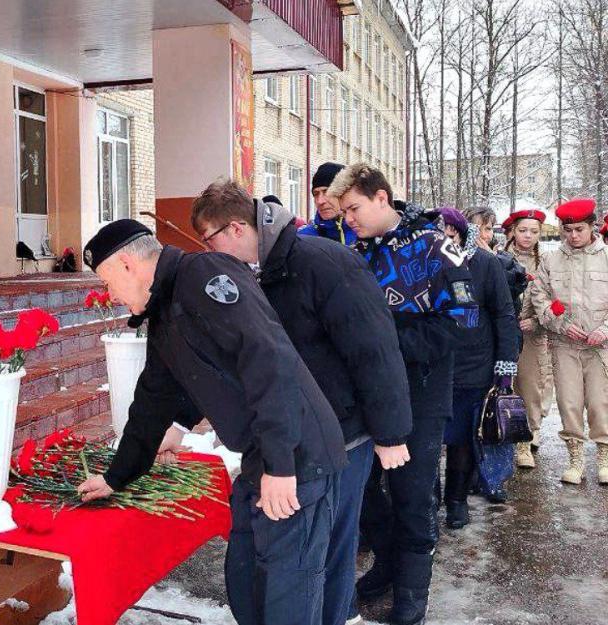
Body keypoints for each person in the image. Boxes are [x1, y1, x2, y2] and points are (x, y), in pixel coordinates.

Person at [76, 220, 350, 625]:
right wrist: (118, 476)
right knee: (247, 585)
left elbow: (270, 361)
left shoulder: (204, 277)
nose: (110, 295)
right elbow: (153, 398)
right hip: (262, 457)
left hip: (298, 459)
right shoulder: (166, 308)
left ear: (128, 264)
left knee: (288, 598)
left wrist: (280, 464)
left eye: (107, 281)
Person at [189, 181, 413, 625]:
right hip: (295, 437)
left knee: (332, 546)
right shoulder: (253, 274)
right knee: (303, 553)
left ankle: (338, 616)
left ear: (236, 228)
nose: (206, 251)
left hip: (345, 436)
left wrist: (390, 433)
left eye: (208, 239)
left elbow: (375, 350)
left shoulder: (322, 263)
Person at [328, 164, 478, 625]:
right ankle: (388, 566)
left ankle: (413, 594)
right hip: (365, 397)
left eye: (353, 208)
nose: (347, 219)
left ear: (381, 198)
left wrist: (389, 342)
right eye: (341, 212)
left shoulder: (435, 246)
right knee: (366, 490)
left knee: (413, 496)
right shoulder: (355, 251)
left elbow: (464, 318)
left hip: (421, 393)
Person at [438, 207, 520, 524]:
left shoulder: (485, 264)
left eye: (451, 236)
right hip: (434, 363)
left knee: (462, 438)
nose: (444, 242)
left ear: (462, 233)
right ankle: (427, 498)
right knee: (427, 441)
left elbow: (503, 314)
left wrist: (504, 366)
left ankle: (457, 500)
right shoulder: (424, 262)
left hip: (474, 365)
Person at [530, 198, 608, 485]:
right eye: (568, 230)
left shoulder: (607, 257)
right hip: (565, 345)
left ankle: (604, 456)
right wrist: (560, 323)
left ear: (592, 227)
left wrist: (605, 329)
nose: (573, 236)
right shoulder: (551, 260)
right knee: (569, 402)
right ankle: (575, 459)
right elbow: (539, 298)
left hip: (600, 347)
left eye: (579, 229)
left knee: (601, 403)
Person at [502, 210, 552, 468]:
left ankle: (525, 442)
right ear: (512, 231)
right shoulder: (499, 257)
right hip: (502, 333)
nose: (528, 236)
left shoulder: (546, 261)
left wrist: (536, 320)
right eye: (523, 230)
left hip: (532, 333)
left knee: (530, 386)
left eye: (534, 231)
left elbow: (555, 300)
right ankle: (500, 433)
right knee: (502, 384)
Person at [299, 162, 358, 246]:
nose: (320, 201)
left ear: (345, 193)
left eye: (327, 192)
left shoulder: (366, 233)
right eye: (316, 194)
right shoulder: (302, 239)